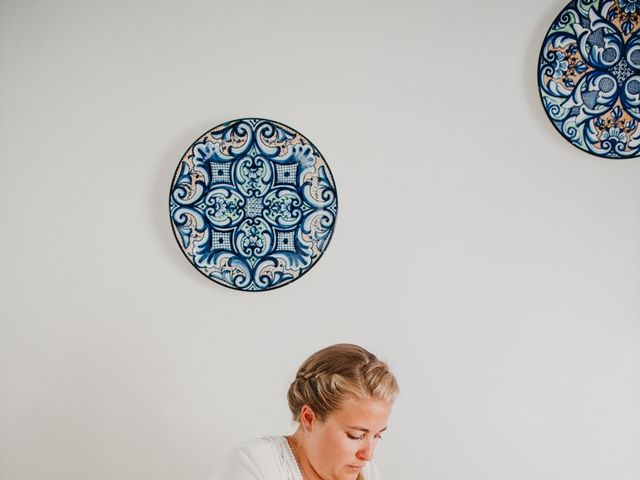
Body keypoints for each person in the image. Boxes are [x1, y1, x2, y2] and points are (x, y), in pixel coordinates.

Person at [210, 343, 399, 480]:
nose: (368, 455)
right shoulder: (255, 466)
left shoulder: (367, 472)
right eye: (355, 435)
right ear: (309, 418)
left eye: (377, 436)